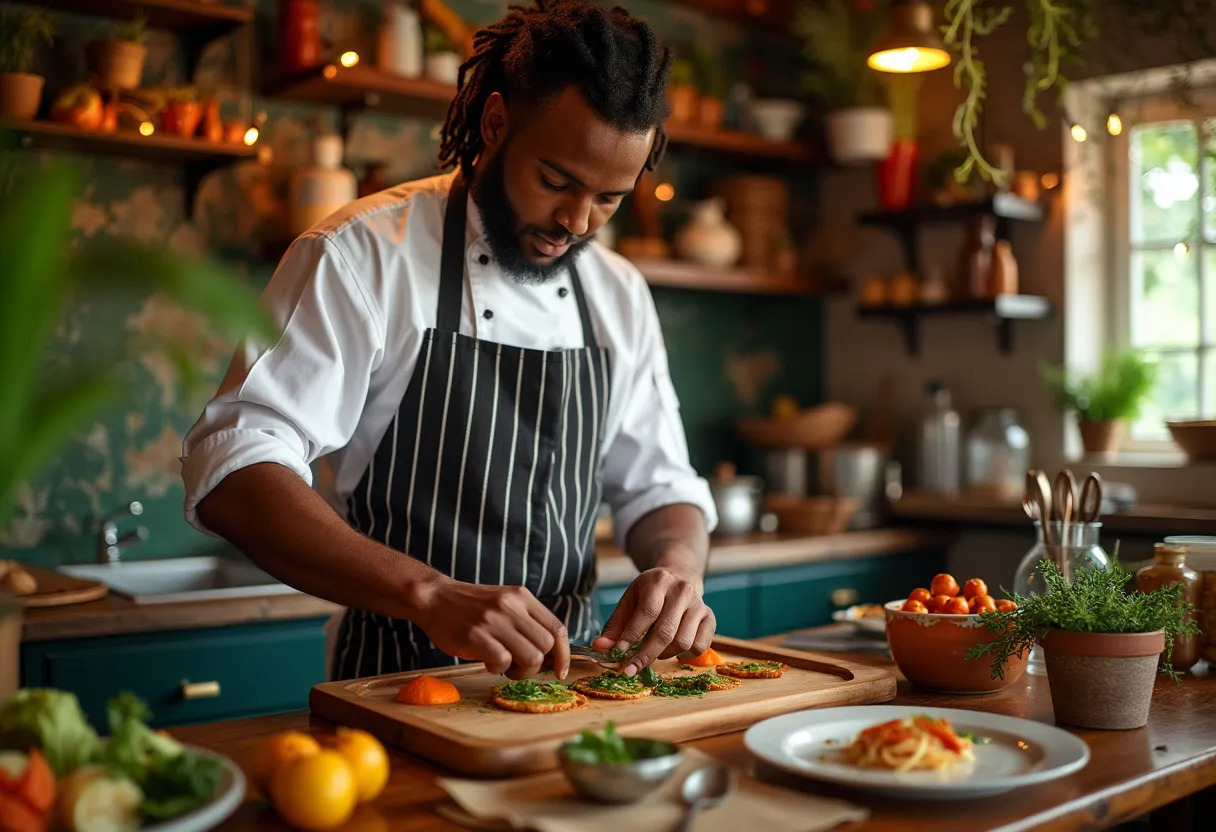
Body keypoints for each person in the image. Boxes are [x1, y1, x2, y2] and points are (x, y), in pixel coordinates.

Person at [181, 0, 718, 683]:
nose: (576, 223)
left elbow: (658, 486)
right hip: (396, 687)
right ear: (495, 125)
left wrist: (678, 569)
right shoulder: (361, 255)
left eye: (609, 199)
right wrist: (428, 595)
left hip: (571, 691)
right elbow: (234, 469)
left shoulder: (617, 293)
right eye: (556, 181)